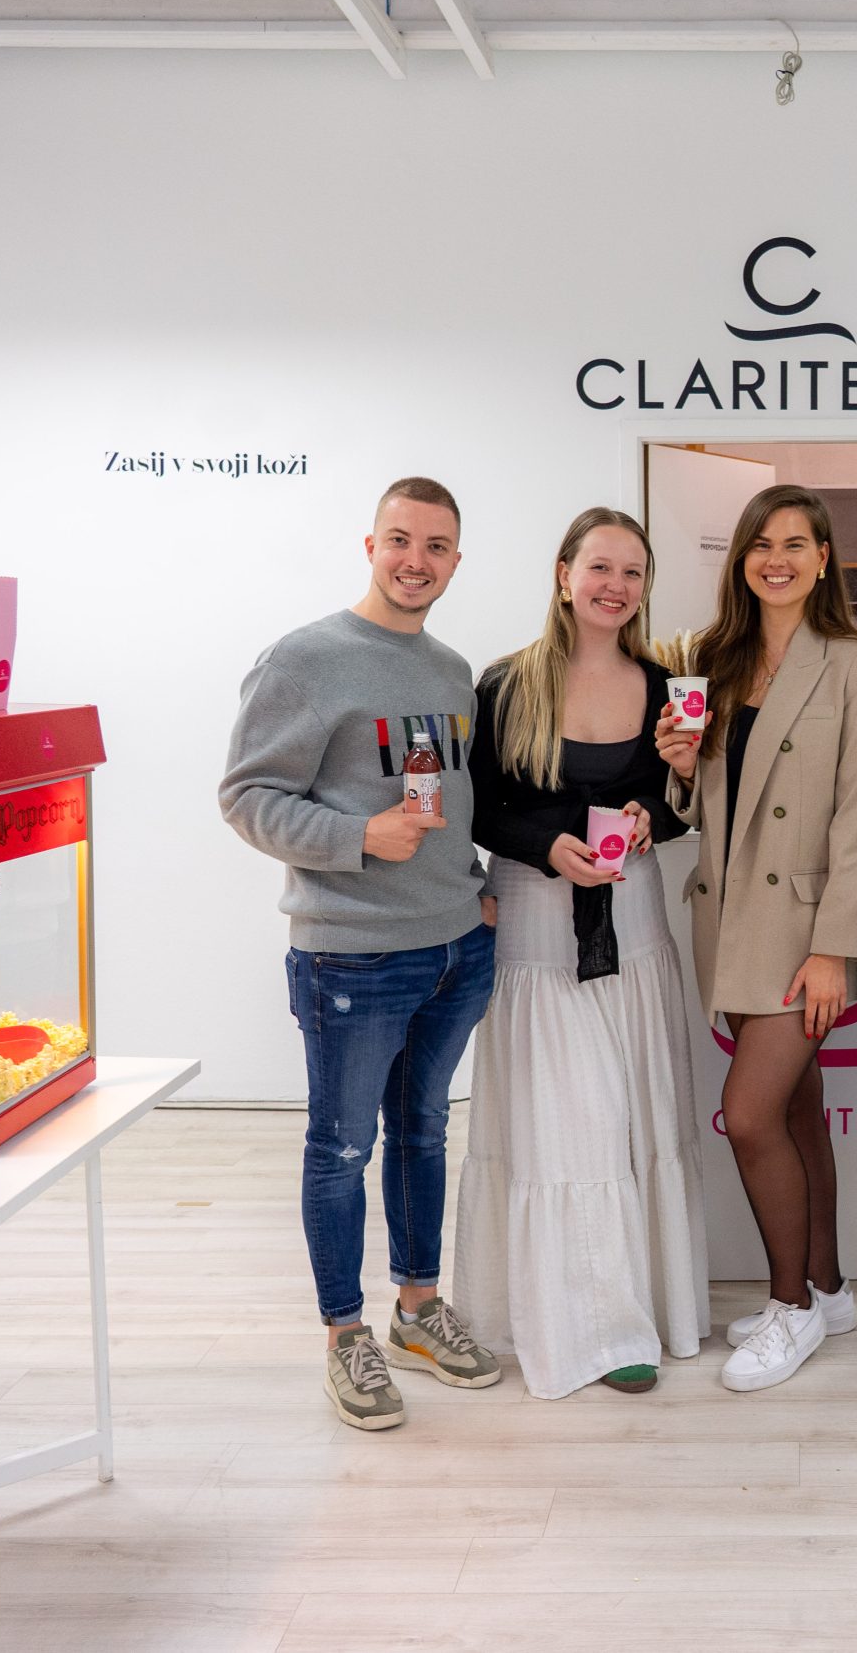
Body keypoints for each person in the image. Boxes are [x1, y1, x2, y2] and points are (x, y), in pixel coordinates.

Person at [219, 475, 503, 1434]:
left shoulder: (451, 671)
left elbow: (451, 800)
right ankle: (346, 1334)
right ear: (370, 544)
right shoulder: (304, 659)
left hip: (454, 949)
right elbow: (246, 796)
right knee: (341, 1147)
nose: (417, 561)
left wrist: (474, 889)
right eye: (401, 540)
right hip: (352, 958)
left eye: (436, 546)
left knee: (424, 1131)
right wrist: (357, 838)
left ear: (455, 561)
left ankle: (417, 1309)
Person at [455, 507, 710, 1397]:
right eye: (600, 566)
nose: (616, 586)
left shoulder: (665, 683)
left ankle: (640, 1305)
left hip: (634, 928)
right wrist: (544, 846)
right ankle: (592, 1329)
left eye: (633, 572)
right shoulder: (505, 683)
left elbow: (677, 801)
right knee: (573, 1127)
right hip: (536, 929)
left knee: (634, 1119)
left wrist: (654, 811)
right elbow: (478, 806)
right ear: (564, 574)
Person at [655, 483, 857, 1393]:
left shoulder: (854, 661)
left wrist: (836, 945)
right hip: (729, 917)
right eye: (760, 543)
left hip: (802, 929)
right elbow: (705, 808)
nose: (775, 559)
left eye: (795, 543)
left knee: (749, 1116)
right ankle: (828, 1288)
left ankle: (790, 1309)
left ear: (823, 558)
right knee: (793, 1111)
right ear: (741, 557)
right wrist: (680, 770)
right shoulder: (714, 658)